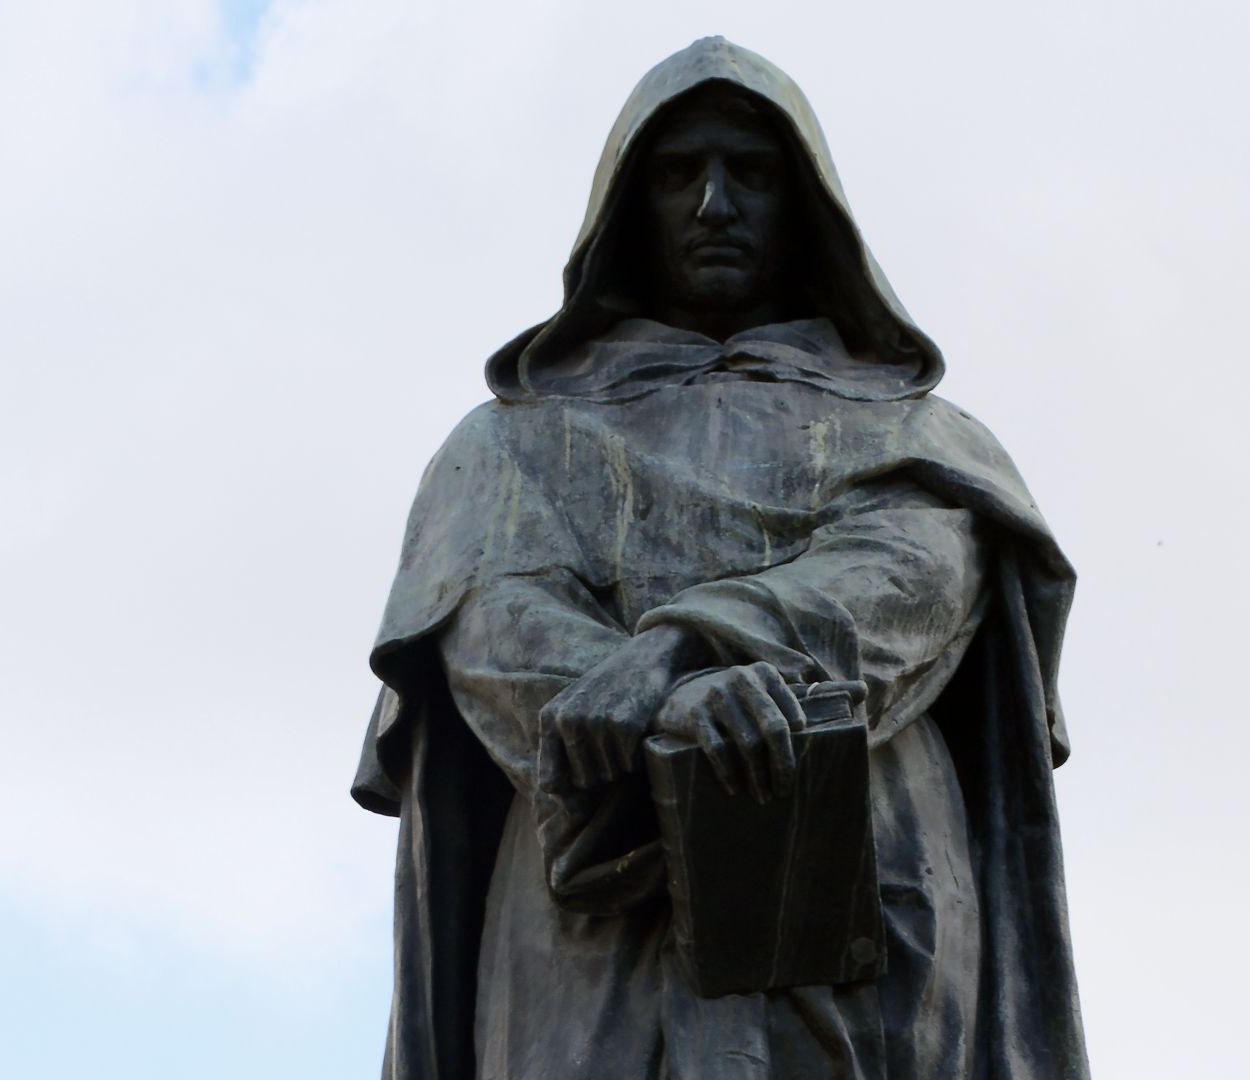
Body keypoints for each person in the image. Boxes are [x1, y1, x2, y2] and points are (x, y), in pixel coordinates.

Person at [352, 36, 1089, 1080]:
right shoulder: (511, 440)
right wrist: (662, 710)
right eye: (675, 174)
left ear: (808, 208)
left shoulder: (918, 432)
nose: (712, 204)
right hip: (593, 903)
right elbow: (488, 615)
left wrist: (680, 654)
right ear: (625, 209)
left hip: (867, 880)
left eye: (749, 173)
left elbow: (911, 576)